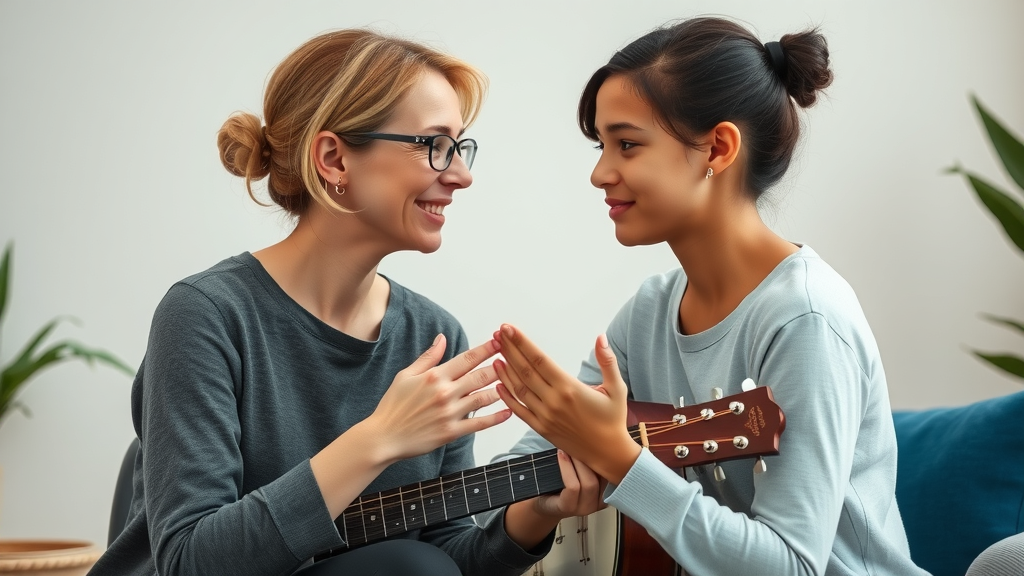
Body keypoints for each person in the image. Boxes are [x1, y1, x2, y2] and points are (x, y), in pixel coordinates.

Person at [88, 29, 600, 576]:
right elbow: (191, 562)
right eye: (435, 145)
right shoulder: (205, 315)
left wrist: (534, 516)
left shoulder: (431, 333)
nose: (462, 175)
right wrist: (378, 440)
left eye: (461, 146)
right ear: (334, 159)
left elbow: (449, 554)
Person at [492, 16, 930, 576]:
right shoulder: (649, 313)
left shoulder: (806, 318)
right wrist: (539, 507)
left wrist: (621, 463)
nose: (600, 173)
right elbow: (519, 473)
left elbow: (792, 566)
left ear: (718, 149)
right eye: (601, 145)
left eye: (627, 144)